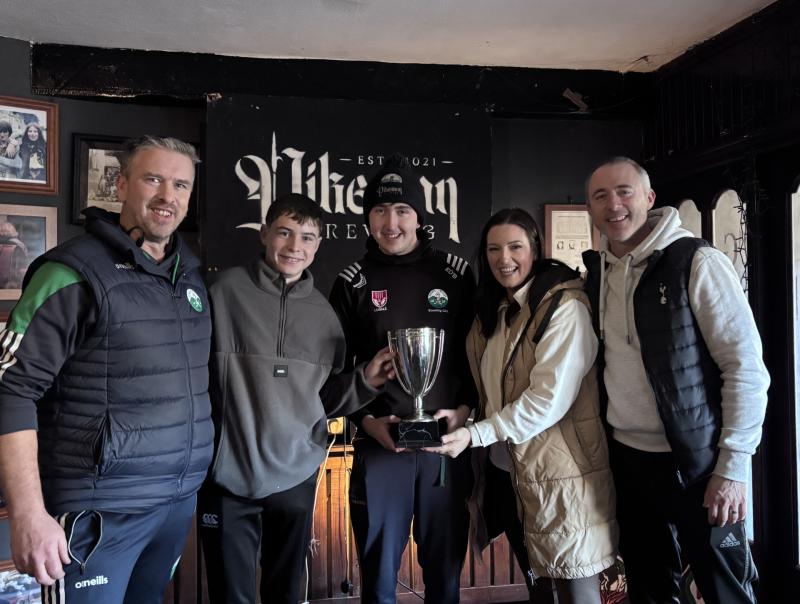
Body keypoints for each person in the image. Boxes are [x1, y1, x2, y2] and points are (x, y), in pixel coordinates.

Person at [0, 135, 213, 604]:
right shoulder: (71, 272)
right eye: (153, 179)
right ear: (121, 186)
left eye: (180, 185)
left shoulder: (189, 278)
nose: (167, 196)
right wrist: (29, 515)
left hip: (173, 506)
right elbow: (10, 391)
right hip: (97, 512)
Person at [583, 157, 770, 604]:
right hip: (628, 462)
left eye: (625, 191)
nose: (614, 205)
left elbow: (744, 368)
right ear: (590, 208)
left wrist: (734, 467)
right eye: (601, 196)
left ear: (649, 198)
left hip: (700, 464)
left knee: (724, 589)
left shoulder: (698, 261)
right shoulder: (597, 275)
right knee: (650, 588)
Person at [198, 193, 396, 604]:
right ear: (265, 234)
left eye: (306, 237)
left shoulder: (326, 318)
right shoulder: (222, 292)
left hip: (295, 479)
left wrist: (366, 381)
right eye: (284, 233)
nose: (294, 247)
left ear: (318, 244)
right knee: (229, 597)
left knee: (285, 594)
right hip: (227, 477)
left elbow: (325, 400)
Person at [430, 208, 618, 604]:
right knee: (541, 590)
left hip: (564, 476)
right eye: (494, 249)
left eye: (515, 246)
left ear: (536, 248)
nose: (504, 259)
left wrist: (474, 433)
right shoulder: (498, 311)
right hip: (510, 473)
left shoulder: (564, 307)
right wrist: (467, 414)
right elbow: (495, 390)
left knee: (576, 586)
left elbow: (547, 401)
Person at [328, 154, 476, 603]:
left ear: (418, 217)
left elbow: (477, 358)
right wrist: (366, 421)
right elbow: (335, 373)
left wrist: (467, 412)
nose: (390, 222)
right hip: (379, 448)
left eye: (402, 211)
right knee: (377, 580)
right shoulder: (351, 282)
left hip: (445, 450)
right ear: (367, 218)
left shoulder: (456, 275)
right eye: (379, 210)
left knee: (445, 578)